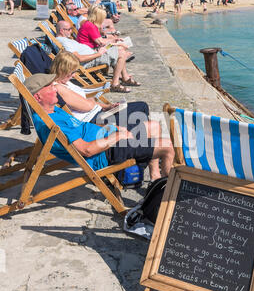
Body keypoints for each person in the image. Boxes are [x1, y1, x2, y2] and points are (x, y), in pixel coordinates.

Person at [24, 73, 174, 181]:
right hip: (105, 153)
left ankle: (155, 177)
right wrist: (117, 136)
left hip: (107, 139)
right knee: (168, 147)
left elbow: (84, 128)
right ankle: (164, 193)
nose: (56, 88)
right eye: (50, 87)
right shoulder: (50, 123)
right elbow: (86, 150)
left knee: (153, 126)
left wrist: (112, 129)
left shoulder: (53, 110)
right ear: (38, 97)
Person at [56, 20, 138, 93]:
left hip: (94, 53)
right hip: (90, 60)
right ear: (62, 30)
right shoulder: (63, 42)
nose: (71, 31)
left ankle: (125, 78)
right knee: (121, 53)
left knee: (119, 49)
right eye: (69, 29)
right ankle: (115, 84)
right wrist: (98, 54)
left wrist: (111, 42)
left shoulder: (67, 40)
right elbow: (78, 58)